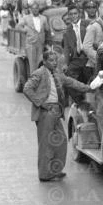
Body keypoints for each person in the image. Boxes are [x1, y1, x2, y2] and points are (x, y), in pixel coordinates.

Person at [23, 49, 92, 182]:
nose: (54, 63)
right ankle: (44, 174)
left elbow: (72, 82)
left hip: (56, 112)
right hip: (45, 112)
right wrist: (41, 103)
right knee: (46, 143)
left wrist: (89, 88)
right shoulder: (39, 74)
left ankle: (55, 170)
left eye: (56, 60)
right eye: (51, 60)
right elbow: (27, 89)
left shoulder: (57, 74)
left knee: (61, 141)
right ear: (44, 61)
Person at [16, 3, 48, 71]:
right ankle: (33, 79)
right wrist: (25, 30)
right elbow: (18, 26)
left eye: (36, 8)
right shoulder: (26, 18)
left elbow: (47, 28)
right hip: (31, 43)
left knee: (39, 62)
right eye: (33, 8)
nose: (35, 10)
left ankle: (38, 78)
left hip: (40, 43)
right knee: (32, 64)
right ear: (31, 10)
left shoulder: (43, 18)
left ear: (38, 9)